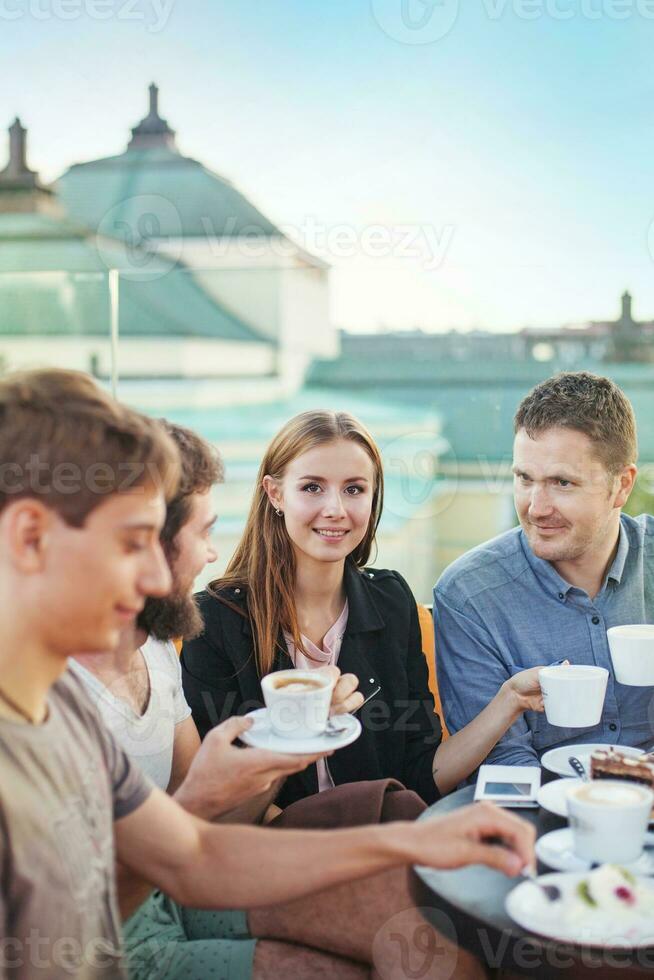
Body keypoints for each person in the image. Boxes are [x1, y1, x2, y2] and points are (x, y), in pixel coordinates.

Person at [0, 369, 536, 980]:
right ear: (29, 538)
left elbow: (189, 854)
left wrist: (411, 843)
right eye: (131, 543)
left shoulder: (60, 705)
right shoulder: (189, 634)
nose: (158, 579)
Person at [181, 410, 546, 808]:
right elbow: (220, 812)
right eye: (312, 487)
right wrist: (300, 736)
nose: (336, 509)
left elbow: (420, 776)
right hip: (272, 851)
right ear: (275, 494)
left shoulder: (391, 602)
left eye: (354, 490)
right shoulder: (214, 621)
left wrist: (509, 700)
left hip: (379, 833)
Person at [434, 370, 652, 770]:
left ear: (622, 486)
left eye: (562, 483)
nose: (536, 507)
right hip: (540, 809)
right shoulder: (470, 593)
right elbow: (504, 759)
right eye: (524, 479)